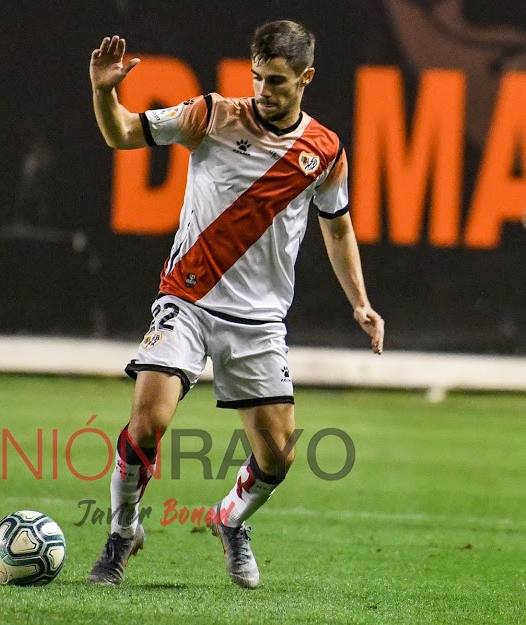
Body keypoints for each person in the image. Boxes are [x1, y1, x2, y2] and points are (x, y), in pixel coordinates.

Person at [86, 20, 385, 589]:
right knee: (148, 422)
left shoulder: (324, 151)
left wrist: (360, 303)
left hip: (259, 320)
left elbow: (338, 228)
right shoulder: (213, 116)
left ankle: (231, 519)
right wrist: (105, 91)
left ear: (306, 78)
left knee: (278, 457)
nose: (263, 91)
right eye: (257, 77)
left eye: (276, 81)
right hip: (189, 298)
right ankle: (122, 532)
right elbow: (123, 133)